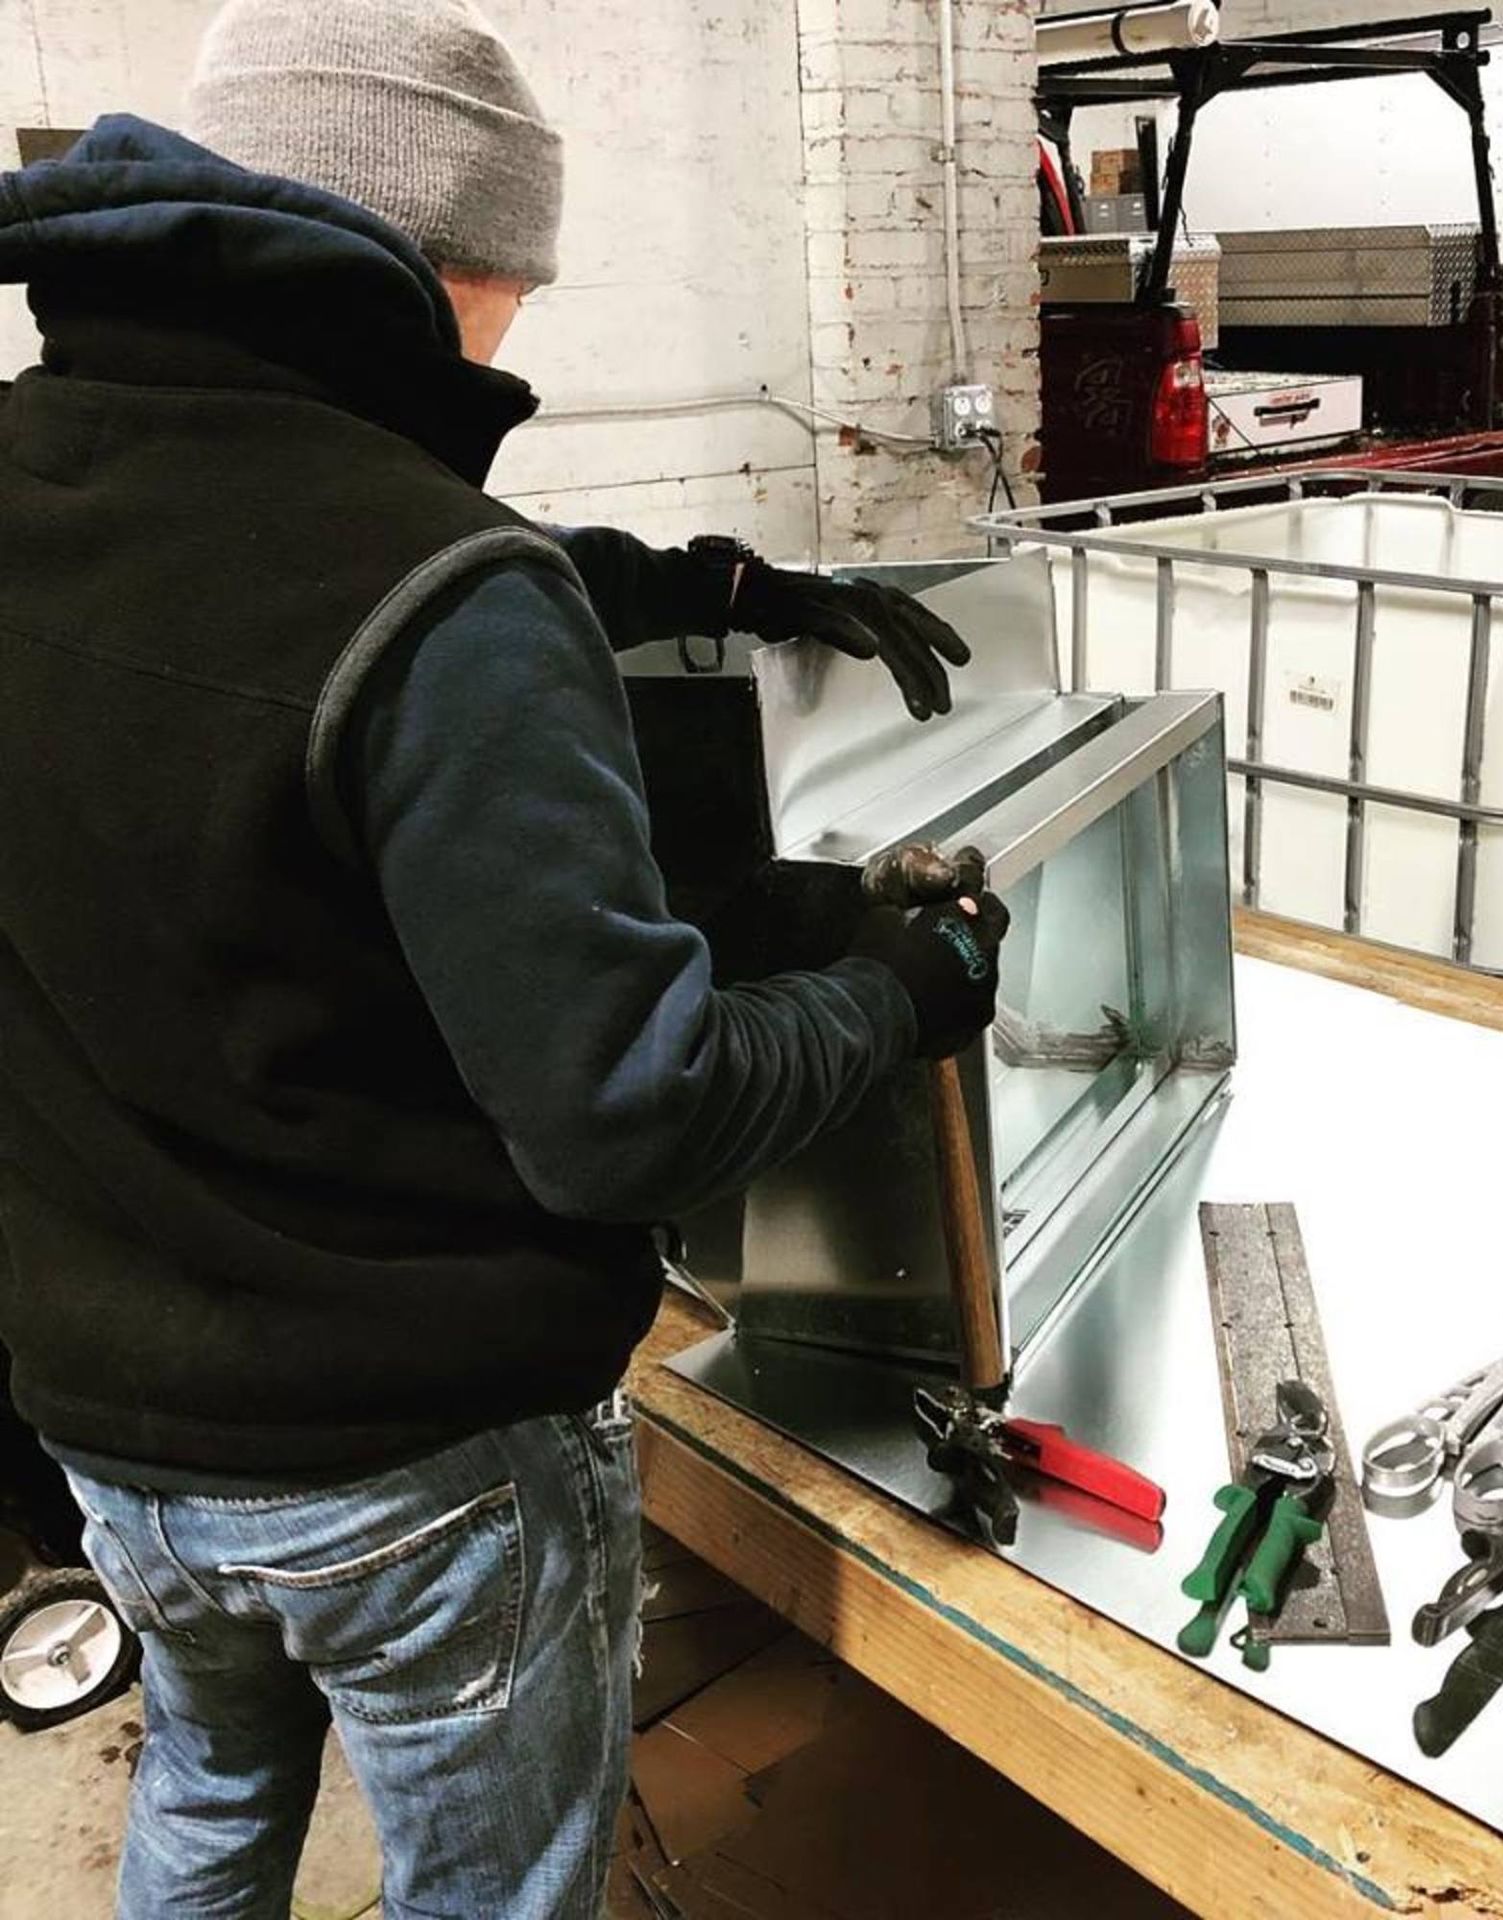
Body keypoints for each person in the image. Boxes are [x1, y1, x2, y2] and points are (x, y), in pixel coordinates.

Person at [0, 2, 1010, 1915]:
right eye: (518, 283)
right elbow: (624, 1118)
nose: (517, 326)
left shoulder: (52, 475)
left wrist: (715, 580)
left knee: (210, 1798)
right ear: (453, 259)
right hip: (411, 1464)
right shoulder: (438, 592)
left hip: (107, 1428)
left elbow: (300, 621)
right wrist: (890, 994)